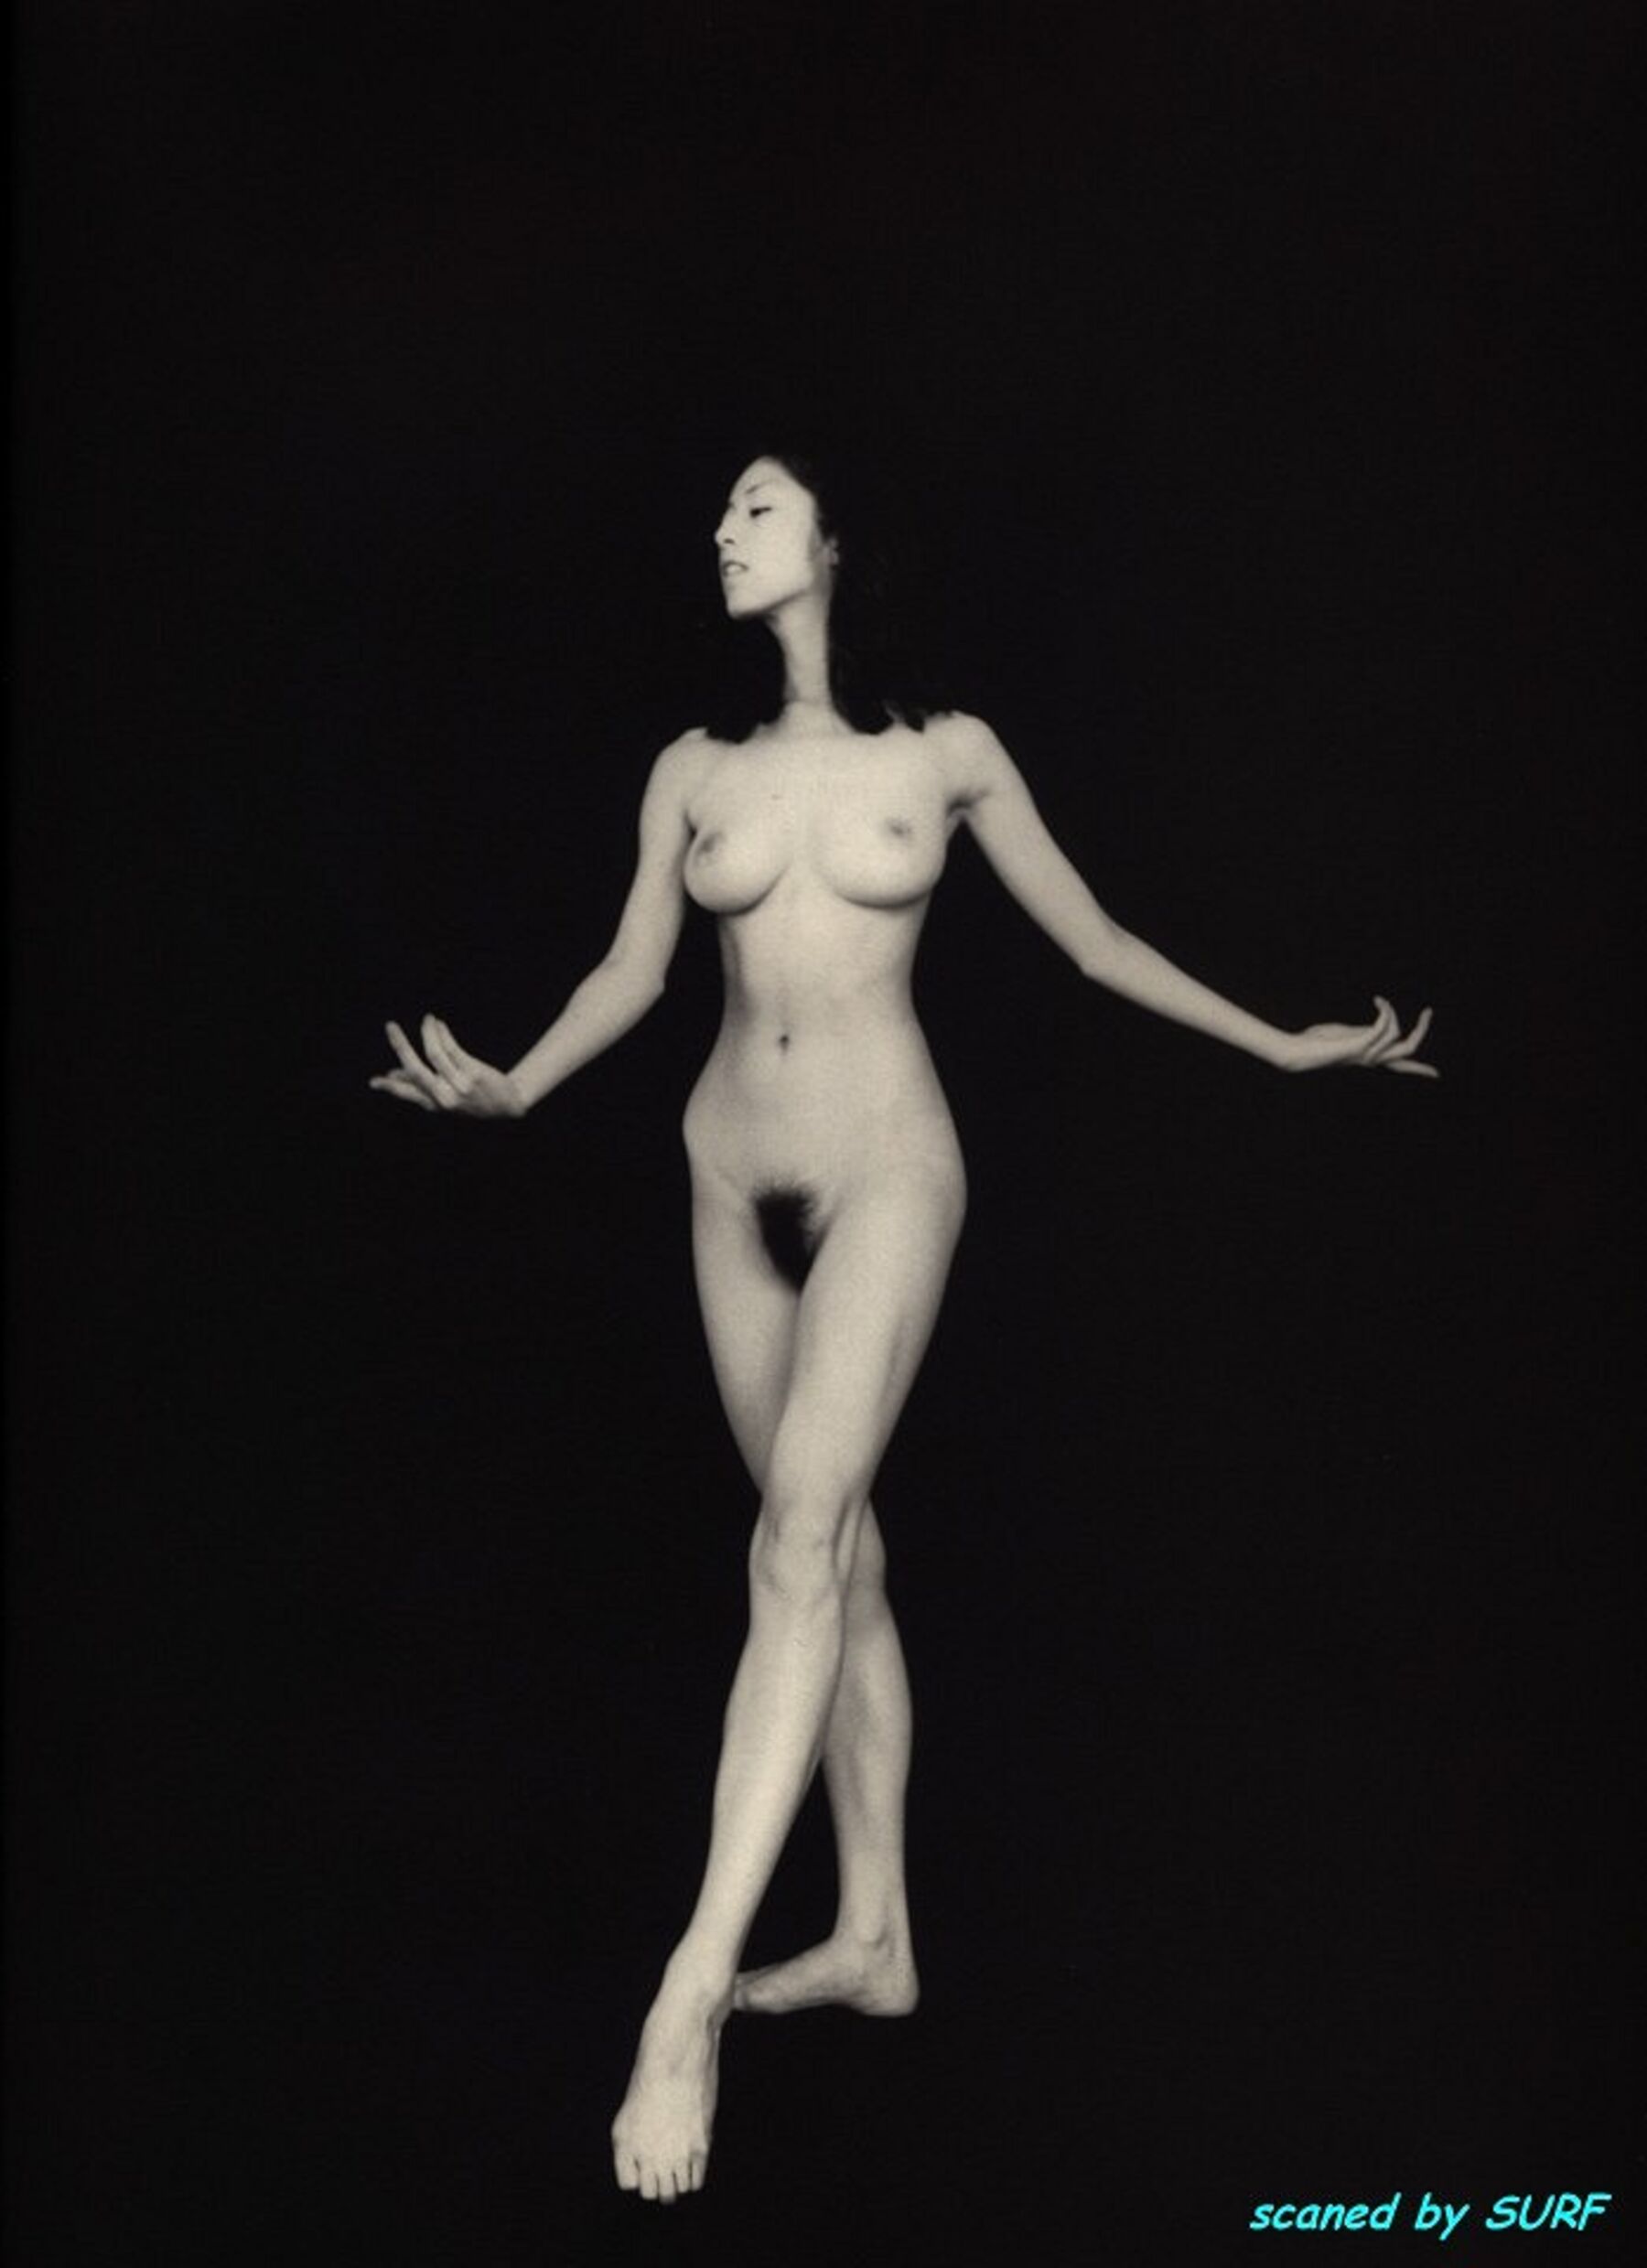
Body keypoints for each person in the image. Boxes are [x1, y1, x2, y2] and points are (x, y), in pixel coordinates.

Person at [371, 452, 1435, 2203]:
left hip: (886, 1168)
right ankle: (876, 1938)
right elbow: (636, 970)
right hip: (727, 1175)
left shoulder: (945, 754)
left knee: (795, 1541)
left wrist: (1281, 1044)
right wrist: (518, 1085)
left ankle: (687, 1990)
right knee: (837, 1551)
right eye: (722, 515)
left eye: (756, 506)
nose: (724, 532)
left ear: (838, 540)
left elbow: (1094, 941)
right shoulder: (693, 768)